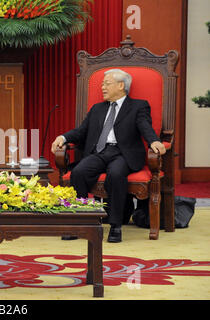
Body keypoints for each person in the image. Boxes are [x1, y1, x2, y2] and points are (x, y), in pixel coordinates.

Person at [51, 69, 165, 243]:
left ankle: (115, 226)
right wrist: (63, 137)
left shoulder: (138, 106)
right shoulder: (97, 108)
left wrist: (154, 142)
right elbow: (81, 131)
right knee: (79, 172)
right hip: (99, 152)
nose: (102, 87)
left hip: (123, 154)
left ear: (121, 85)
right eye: (102, 84)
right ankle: (80, 223)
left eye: (106, 83)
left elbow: (145, 127)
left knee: (116, 174)